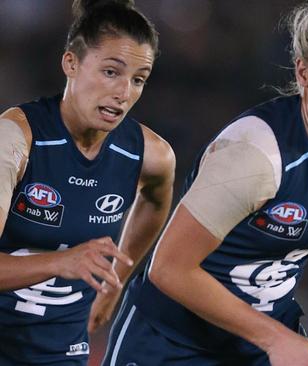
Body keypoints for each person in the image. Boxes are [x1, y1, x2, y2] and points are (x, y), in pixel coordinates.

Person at [104, 0, 308, 365]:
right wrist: (275, 338)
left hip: (264, 341)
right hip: (173, 342)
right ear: (304, 72)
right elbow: (168, 268)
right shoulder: (256, 153)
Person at [0, 0, 175, 364]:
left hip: (63, 351)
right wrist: (61, 262)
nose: (124, 92)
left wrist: (117, 278)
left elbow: (156, 201)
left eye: (138, 79)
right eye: (111, 72)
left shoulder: (150, 156)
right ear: (71, 63)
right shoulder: (17, 139)